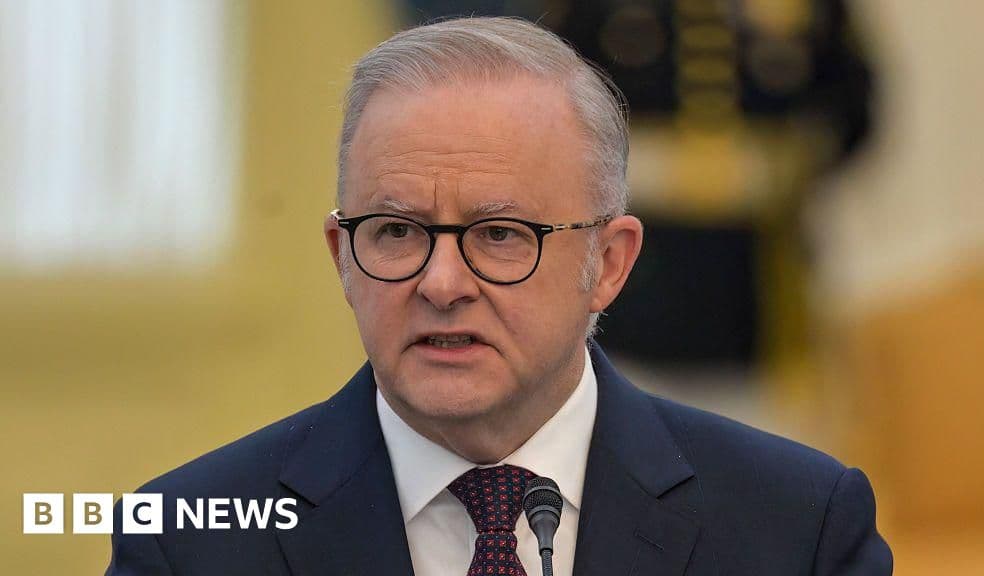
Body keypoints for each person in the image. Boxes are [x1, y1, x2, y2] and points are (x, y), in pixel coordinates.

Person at [106, 16, 892, 576]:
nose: (442, 285)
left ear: (609, 264)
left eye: (501, 235)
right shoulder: (186, 539)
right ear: (342, 258)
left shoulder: (798, 528)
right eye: (396, 232)